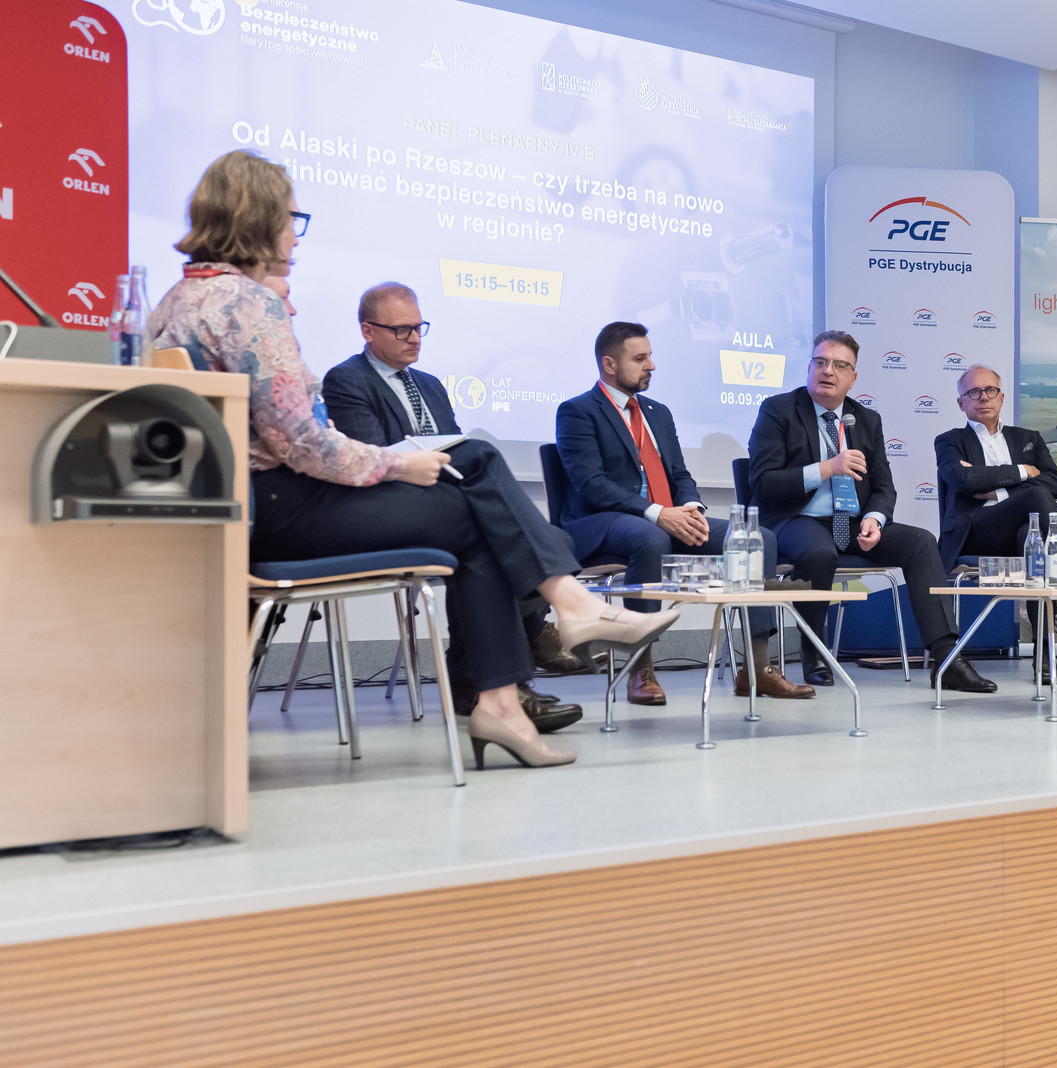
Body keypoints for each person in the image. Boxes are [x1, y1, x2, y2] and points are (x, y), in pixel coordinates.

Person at [147, 149, 680, 770]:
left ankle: (525, 670)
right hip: (282, 507)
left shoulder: (177, 301)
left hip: (244, 509)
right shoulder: (247, 304)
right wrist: (400, 466)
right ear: (259, 217)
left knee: (476, 488)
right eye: (292, 218)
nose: (295, 233)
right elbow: (304, 444)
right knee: (478, 490)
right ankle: (547, 638)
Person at [320, 282, 588, 732]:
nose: (414, 338)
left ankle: (483, 682)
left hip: (445, 502)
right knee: (499, 537)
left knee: (549, 538)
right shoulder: (347, 380)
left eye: (419, 327)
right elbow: (374, 458)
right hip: (390, 506)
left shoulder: (430, 385)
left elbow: (453, 450)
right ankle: (513, 668)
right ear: (368, 330)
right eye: (401, 330)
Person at [554, 322, 812, 704]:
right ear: (609, 364)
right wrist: (659, 513)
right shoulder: (578, 411)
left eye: (650, 356)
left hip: (665, 517)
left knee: (757, 538)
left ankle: (757, 669)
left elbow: (679, 475)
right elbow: (593, 485)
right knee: (649, 537)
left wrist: (691, 508)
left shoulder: (657, 413)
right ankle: (640, 668)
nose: (651, 365)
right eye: (640, 358)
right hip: (600, 521)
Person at [747, 330, 996, 693]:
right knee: (819, 552)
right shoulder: (778, 410)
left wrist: (874, 519)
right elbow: (763, 482)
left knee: (920, 542)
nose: (828, 370)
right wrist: (827, 468)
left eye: (839, 365)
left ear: (853, 378)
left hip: (852, 523)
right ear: (809, 368)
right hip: (796, 520)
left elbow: (883, 487)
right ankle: (814, 650)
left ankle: (947, 658)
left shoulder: (865, 419)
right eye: (821, 362)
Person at [933, 365, 1057, 623]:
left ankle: (1043, 647)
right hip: (975, 533)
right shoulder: (949, 441)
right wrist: (1023, 471)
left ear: (1001, 398)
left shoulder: (1028, 438)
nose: (984, 397)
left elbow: (1055, 483)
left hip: (1023, 531)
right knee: (1036, 496)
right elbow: (963, 479)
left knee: (1033, 538)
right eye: (974, 392)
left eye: (990, 390)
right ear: (961, 403)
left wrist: (997, 491)